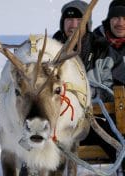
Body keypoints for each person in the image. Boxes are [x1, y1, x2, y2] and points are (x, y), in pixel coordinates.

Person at [82, 0, 125, 174]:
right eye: (116, 17)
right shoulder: (96, 45)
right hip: (103, 112)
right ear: (108, 19)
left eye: (124, 17)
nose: (120, 22)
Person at [53, 0, 93, 64]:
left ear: (87, 25)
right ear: (63, 24)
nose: (74, 25)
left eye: (79, 20)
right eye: (69, 19)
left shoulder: (101, 50)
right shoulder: (51, 48)